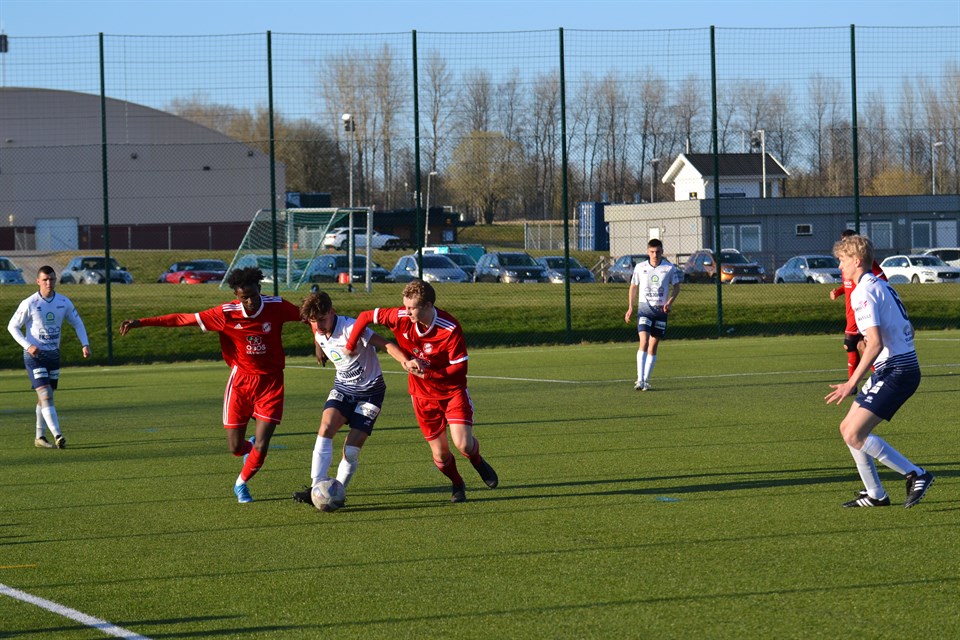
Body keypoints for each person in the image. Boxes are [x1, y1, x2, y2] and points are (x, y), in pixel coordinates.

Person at [119, 267, 303, 504]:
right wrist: (141, 322)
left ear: (260, 289)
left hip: (271, 383)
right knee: (235, 447)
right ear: (236, 296)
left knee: (262, 442)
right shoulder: (225, 314)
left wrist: (319, 343)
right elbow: (182, 319)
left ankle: (241, 483)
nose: (250, 302)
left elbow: (308, 316)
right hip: (241, 383)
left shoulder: (277, 305)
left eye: (253, 295)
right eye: (244, 297)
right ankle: (248, 451)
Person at [344, 279, 498, 503]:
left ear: (428, 305)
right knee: (441, 454)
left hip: (451, 393)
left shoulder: (449, 328)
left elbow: (459, 369)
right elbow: (366, 316)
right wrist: (350, 345)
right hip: (422, 396)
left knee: (463, 444)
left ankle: (477, 461)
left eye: (411, 308)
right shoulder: (400, 316)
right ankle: (457, 484)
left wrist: (428, 374)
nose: (406, 312)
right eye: (404, 306)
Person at [824, 234, 934, 508]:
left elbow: (875, 343)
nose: (839, 266)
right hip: (897, 367)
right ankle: (875, 494)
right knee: (847, 429)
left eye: (842, 260)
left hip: (897, 371)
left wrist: (851, 382)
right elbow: (907, 331)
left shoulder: (862, 291)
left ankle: (916, 474)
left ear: (856, 261)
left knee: (855, 434)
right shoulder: (882, 284)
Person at [292, 290, 410, 507]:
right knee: (326, 427)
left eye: (322, 320)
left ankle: (337, 491)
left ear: (332, 312)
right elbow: (316, 330)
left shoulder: (351, 328)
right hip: (343, 389)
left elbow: (385, 344)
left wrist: (405, 361)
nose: (318, 326)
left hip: (370, 393)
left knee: (351, 450)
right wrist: (318, 347)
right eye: (313, 321)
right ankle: (315, 489)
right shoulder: (317, 326)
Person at [7, 265, 91, 449]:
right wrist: (28, 346)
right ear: (38, 281)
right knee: (45, 395)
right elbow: (12, 326)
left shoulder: (63, 302)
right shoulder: (29, 303)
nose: (48, 283)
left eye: (52, 279)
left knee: (45, 397)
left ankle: (39, 437)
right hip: (34, 357)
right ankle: (58, 434)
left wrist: (85, 344)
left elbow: (77, 323)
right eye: (45, 279)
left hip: (53, 356)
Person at [624, 238, 681, 391]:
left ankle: (646, 381)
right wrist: (630, 307)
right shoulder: (640, 267)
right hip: (644, 310)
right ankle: (639, 379)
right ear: (648, 252)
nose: (655, 255)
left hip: (661, 312)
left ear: (662, 252)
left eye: (657, 252)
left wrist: (669, 302)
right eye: (652, 252)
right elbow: (633, 286)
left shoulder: (669, 268)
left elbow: (677, 287)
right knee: (643, 341)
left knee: (653, 345)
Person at [829, 228, 886, 378]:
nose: (844, 245)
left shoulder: (864, 268)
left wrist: (869, 292)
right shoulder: (847, 266)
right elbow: (847, 285)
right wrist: (838, 292)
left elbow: (881, 282)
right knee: (861, 345)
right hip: (851, 310)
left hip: (860, 310)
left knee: (852, 345)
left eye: (847, 242)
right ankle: (875, 377)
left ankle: (859, 382)